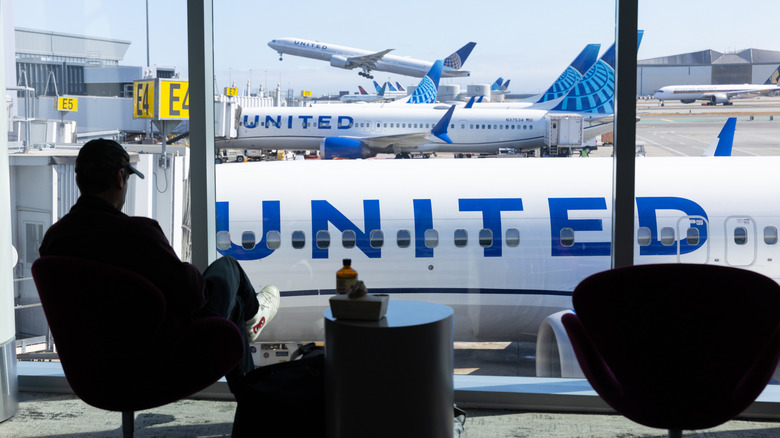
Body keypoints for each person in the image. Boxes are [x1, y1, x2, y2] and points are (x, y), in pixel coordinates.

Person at [38, 138, 279, 390]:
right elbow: (194, 297)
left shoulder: (53, 241)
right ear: (121, 178)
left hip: (91, 370)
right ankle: (254, 316)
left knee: (235, 306)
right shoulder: (137, 233)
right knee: (228, 267)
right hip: (156, 363)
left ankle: (251, 385)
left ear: (80, 180)